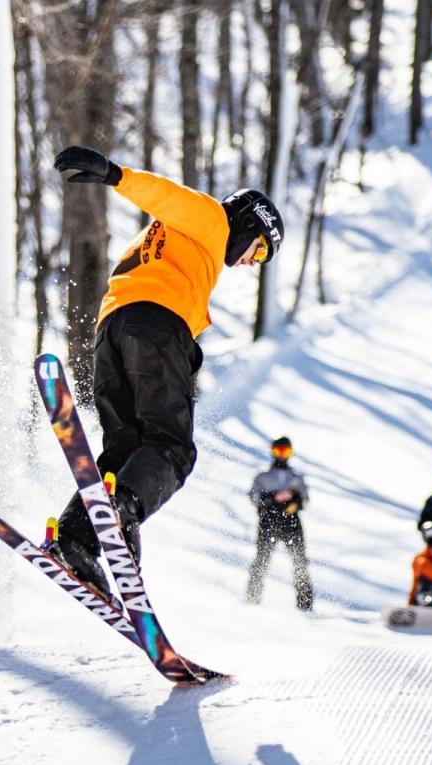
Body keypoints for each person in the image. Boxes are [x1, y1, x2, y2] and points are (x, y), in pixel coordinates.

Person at [45, 145, 284, 596]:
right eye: (259, 250)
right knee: (172, 448)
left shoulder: (175, 243)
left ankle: (76, 540)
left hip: (112, 333)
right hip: (156, 328)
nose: (252, 261)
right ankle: (121, 513)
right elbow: (168, 195)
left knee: (124, 455)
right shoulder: (213, 220)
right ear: (249, 224)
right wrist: (116, 175)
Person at [244, 436, 314, 611]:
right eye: (278, 451)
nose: (282, 455)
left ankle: (305, 605)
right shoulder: (263, 477)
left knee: (300, 562)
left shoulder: (296, 478)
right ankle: (252, 599)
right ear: (272, 452)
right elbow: (254, 496)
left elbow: (304, 500)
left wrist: (293, 500)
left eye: (286, 451)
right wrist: (272, 499)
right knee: (261, 560)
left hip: (291, 523)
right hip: (269, 522)